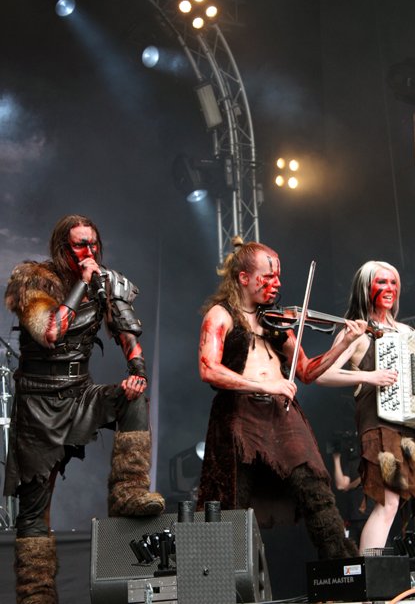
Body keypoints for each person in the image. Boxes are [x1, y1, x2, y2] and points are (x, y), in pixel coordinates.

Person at [3, 214, 165, 604]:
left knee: (131, 398)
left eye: (93, 244)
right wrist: (81, 284)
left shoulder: (106, 284)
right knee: (34, 509)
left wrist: (137, 374)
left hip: (80, 393)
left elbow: (127, 334)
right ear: (63, 247)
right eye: (80, 244)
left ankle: (128, 491)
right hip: (39, 402)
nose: (89, 251)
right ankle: (36, 595)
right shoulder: (33, 281)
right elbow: (51, 332)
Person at [196, 237, 368, 560]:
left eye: (278, 277)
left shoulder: (276, 322)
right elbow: (208, 369)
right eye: (268, 277)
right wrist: (265, 386)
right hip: (239, 415)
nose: (276, 284)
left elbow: (306, 370)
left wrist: (344, 343)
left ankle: (341, 562)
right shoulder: (221, 315)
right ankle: (222, 572)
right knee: (233, 494)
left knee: (315, 488)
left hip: (282, 413)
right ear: (243, 277)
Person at [316, 260, 415, 554]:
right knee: (388, 503)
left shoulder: (407, 331)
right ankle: (369, 574)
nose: (389, 288)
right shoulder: (356, 331)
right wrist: (370, 376)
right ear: (366, 287)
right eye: (381, 282)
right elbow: (322, 374)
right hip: (380, 425)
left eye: (393, 282)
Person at [329, 431, 374, 547]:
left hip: (369, 516)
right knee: (353, 551)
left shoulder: (371, 460)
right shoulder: (351, 463)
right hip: (353, 517)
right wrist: (336, 458)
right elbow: (340, 485)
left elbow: (365, 477)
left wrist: (349, 486)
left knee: (371, 550)